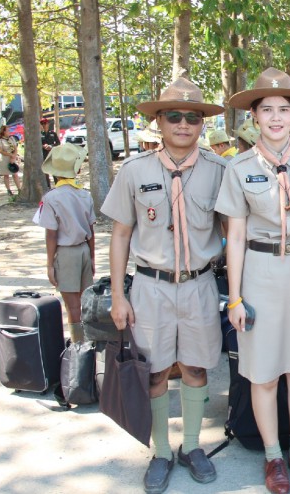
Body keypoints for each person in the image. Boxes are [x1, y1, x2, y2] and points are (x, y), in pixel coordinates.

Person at [215, 67, 290, 494]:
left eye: (283, 109)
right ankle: (273, 457)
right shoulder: (239, 167)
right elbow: (235, 236)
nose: (275, 118)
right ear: (254, 116)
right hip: (260, 273)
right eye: (266, 110)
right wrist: (234, 297)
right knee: (263, 374)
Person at [102, 77, 226, 493]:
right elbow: (121, 234)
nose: (184, 124)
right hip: (150, 287)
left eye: (193, 117)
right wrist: (118, 295)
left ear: (202, 123)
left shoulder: (219, 170)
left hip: (199, 285)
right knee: (154, 372)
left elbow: (235, 231)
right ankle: (160, 452)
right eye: (174, 116)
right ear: (158, 121)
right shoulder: (134, 171)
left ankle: (191, 446)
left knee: (195, 367)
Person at [38, 144, 95, 343]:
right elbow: (91, 231)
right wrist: (92, 257)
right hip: (84, 250)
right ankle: (90, 343)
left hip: (66, 253)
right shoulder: (85, 194)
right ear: (76, 170)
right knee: (85, 303)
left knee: (72, 307)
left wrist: (50, 264)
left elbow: (51, 234)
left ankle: (78, 346)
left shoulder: (51, 198)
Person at [0, 125, 22, 196]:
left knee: (15, 174)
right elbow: (0, 150)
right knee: (6, 175)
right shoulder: (0, 140)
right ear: (3, 131)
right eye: (7, 130)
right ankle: (8, 190)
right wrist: (10, 155)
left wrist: (14, 156)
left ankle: (19, 189)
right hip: (4, 158)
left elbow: (15, 148)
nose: (9, 132)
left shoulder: (12, 138)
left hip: (12, 158)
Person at [40, 118, 60, 188]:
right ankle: (48, 187)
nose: (44, 125)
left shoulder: (53, 133)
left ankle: (58, 186)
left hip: (52, 155)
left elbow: (58, 143)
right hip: (43, 155)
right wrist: (43, 146)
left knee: (54, 171)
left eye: (45, 123)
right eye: (42, 124)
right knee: (45, 172)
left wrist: (51, 146)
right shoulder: (39, 134)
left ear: (48, 124)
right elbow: (36, 144)